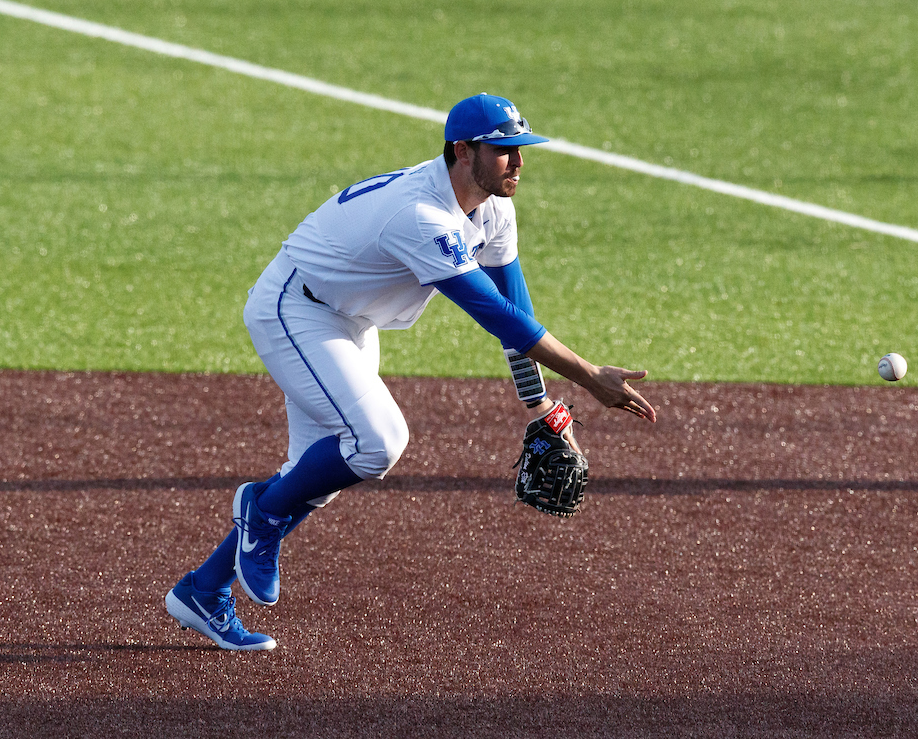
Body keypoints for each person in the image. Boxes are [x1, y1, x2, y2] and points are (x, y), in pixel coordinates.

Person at [164, 93, 656, 650]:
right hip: (294, 309)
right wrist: (590, 378)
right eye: (503, 151)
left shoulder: (494, 210)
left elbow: (516, 313)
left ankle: (203, 590)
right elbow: (493, 314)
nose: (517, 163)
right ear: (462, 151)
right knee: (377, 442)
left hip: (349, 321)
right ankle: (261, 506)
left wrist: (540, 404)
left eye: (522, 150)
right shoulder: (420, 217)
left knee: (317, 475)